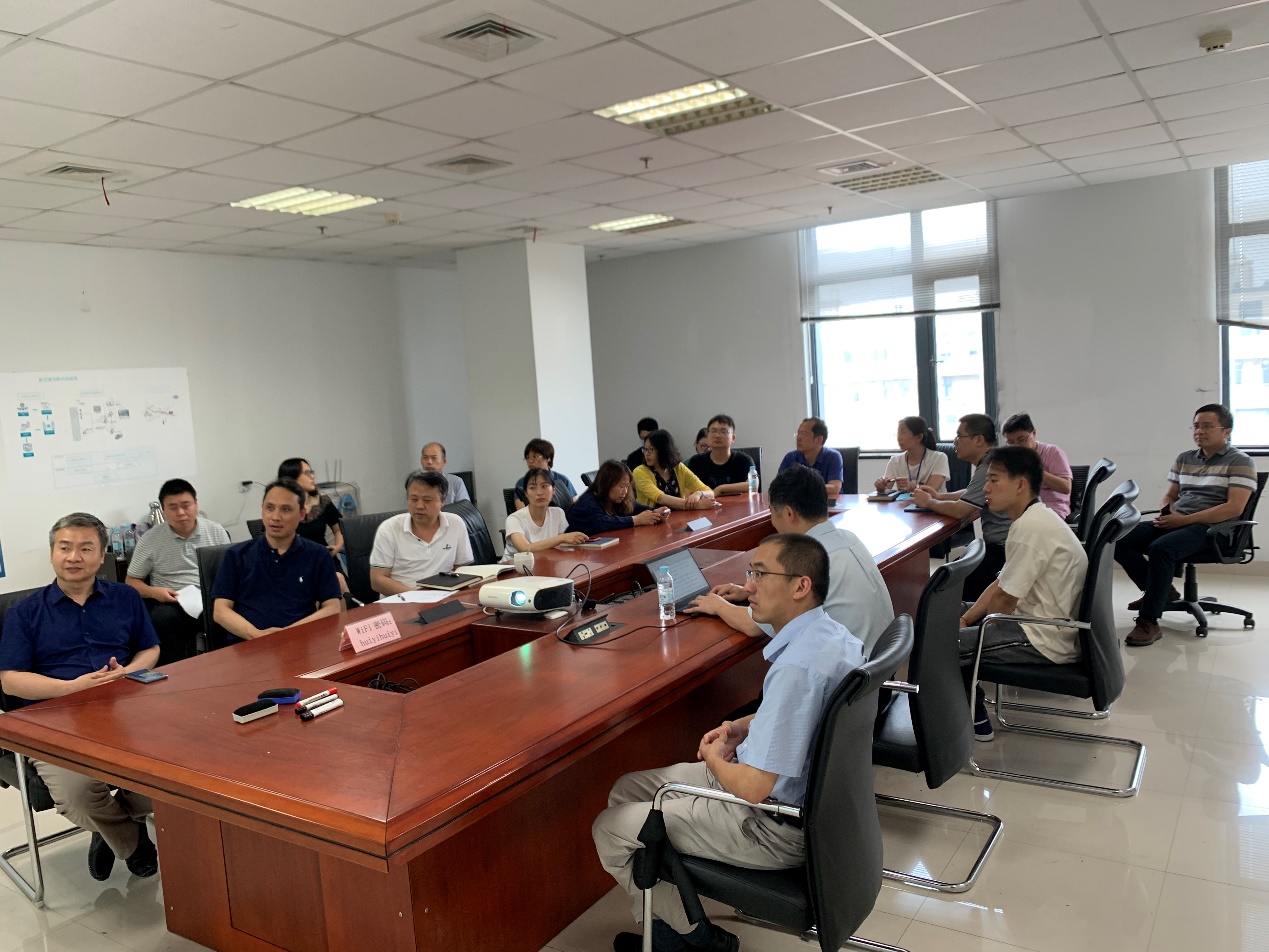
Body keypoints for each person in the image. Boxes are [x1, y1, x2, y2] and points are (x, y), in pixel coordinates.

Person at [592, 534, 863, 952]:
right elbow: (806, 716)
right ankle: (670, 925)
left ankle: (692, 940)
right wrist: (744, 727)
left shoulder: (796, 668)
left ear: (800, 586)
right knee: (625, 790)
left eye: (761, 575)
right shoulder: (831, 635)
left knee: (609, 828)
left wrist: (713, 757)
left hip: (768, 823)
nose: (749, 586)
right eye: (750, 572)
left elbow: (753, 788)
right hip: (787, 800)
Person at [0, 513, 161, 881]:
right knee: (77, 794)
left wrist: (129, 671)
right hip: (53, 719)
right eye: (65, 548)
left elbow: (150, 648)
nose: (74, 557)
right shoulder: (24, 613)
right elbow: (10, 681)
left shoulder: (125, 597)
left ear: (102, 555)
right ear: (52, 554)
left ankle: (108, 828)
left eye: (86, 548)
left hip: (126, 711)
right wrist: (72, 687)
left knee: (182, 774)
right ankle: (131, 841)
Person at [691, 465, 894, 653]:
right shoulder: (848, 538)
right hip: (880, 660)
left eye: (772, 513)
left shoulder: (808, 562)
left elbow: (753, 625)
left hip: (850, 672)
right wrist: (747, 591)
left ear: (789, 513)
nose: (772, 521)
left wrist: (717, 605)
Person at [957, 447, 1088, 741]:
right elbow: (1001, 584)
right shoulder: (1035, 518)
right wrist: (965, 619)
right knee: (949, 615)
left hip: (1043, 636)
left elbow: (1005, 600)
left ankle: (975, 719)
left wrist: (968, 630)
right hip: (1037, 620)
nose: (986, 488)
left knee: (943, 644)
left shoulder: (1031, 528)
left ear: (1021, 484)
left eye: (994, 480)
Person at [1115, 404, 1257, 647]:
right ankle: (1161, 592)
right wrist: (1167, 512)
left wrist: (1183, 520)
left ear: (1226, 431)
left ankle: (1149, 620)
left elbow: (1234, 508)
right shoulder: (1185, 458)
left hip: (1214, 530)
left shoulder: (1240, 461)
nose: (1199, 431)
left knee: (1162, 548)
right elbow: (1170, 495)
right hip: (1179, 521)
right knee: (1118, 536)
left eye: (1207, 426)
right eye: (1196, 426)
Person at [211, 479, 342, 642]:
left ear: (302, 514)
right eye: (269, 508)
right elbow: (220, 611)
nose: (275, 517)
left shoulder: (318, 555)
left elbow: (332, 606)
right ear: (262, 510)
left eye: (286, 509)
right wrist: (258, 636)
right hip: (249, 645)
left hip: (301, 642)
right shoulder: (236, 555)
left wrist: (288, 634)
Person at [125, 478, 229, 665]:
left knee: (234, 613)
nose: (180, 512)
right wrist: (155, 592)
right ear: (163, 510)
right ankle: (173, 671)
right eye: (173, 507)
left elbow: (229, 572)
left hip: (210, 598)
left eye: (186, 505)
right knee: (162, 619)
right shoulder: (150, 539)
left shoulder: (215, 531)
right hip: (172, 602)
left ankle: (226, 666)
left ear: (196, 504)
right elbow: (131, 581)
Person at [911, 413, 1008, 602]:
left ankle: (962, 618)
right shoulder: (992, 460)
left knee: (944, 584)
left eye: (959, 437)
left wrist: (928, 502)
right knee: (948, 575)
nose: (955, 442)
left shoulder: (989, 465)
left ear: (978, 440)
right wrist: (939, 496)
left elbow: (960, 510)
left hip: (1004, 552)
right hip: (1001, 547)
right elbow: (972, 492)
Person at [370, 470, 474, 595]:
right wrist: (419, 597)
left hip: (444, 596)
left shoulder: (455, 523)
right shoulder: (389, 529)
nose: (419, 506)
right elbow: (377, 580)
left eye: (427, 500)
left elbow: (462, 569)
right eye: (414, 499)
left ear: (442, 501)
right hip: (402, 600)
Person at [277, 457, 352, 600]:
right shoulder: (281, 508)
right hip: (295, 564)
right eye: (307, 473)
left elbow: (339, 530)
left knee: (339, 581)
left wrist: (337, 546)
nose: (313, 476)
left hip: (324, 558)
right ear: (292, 479)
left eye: (312, 472)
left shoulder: (322, 500)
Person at [567, 461, 671, 535]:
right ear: (607, 485)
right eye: (621, 486)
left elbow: (634, 507)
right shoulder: (588, 502)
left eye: (627, 486)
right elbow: (602, 522)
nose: (625, 491)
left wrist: (655, 512)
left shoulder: (615, 499)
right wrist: (636, 520)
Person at [504, 468, 589, 558]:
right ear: (526, 493)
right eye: (532, 488)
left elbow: (560, 546)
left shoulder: (558, 513)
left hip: (545, 562)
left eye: (544, 486)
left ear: (553, 490)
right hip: (514, 565)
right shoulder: (514, 519)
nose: (539, 492)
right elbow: (525, 549)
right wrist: (562, 538)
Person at [1001, 412, 1073, 518]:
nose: (1017, 446)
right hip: (1022, 509)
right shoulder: (1009, 459)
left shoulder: (1052, 452)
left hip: (1051, 509)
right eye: (1011, 442)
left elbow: (1066, 488)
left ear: (1033, 433)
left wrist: (1035, 470)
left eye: (1021, 440)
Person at [634, 429, 720, 511]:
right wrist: (697, 505)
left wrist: (699, 493)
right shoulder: (640, 472)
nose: (646, 454)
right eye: (645, 449)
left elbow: (710, 492)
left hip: (680, 517)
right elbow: (660, 498)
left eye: (651, 449)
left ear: (663, 450)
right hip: (653, 519)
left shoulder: (678, 468)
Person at [874, 416, 949, 493]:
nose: (899, 438)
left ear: (919, 437)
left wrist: (914, 486)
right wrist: (881, 487)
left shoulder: (939, 458)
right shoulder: (895, 461)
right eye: (898, 433)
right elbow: (887, 488)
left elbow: (934, 488)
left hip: (933, 501)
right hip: (905, 501)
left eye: (903, 433)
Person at [686, 414, 756, 495]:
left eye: (723, 432)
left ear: (733, 438)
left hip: (738, 503)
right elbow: (687, 490)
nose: (717, 435)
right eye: (713, 431)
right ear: (708, 436)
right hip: (706, 503)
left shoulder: (744, 460)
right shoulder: (696, 462)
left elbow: (753, 484)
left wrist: (721, 488)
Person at [777, 417, 843, 495]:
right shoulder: (791, 457)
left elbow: (834, 488)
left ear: (819, 439)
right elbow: (778, 486)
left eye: (803, 434)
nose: (798, 438)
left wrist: (800, 488)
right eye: (798, 434)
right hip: (799, 501)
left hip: (827, 501)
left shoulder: (833, 456)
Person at [514, 438, 578, 510]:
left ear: (548, 458)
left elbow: (574, 506)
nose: (530, 461)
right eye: (527, 457)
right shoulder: (522, 483)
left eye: (535, 456)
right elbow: (521, 511)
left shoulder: (562, 479)